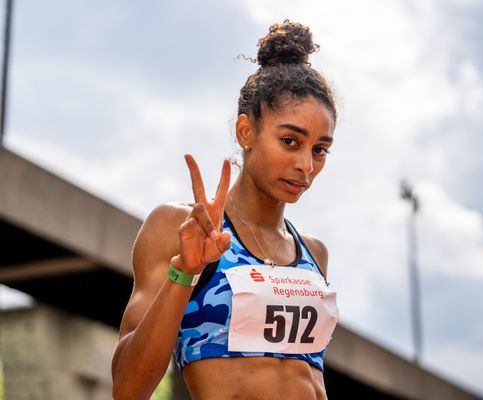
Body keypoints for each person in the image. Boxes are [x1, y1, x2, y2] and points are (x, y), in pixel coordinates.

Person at [111, 20, 339, 400]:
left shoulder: (314, 254)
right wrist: (184, 271)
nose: (306, 164)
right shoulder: (179, 226)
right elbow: (128, 389)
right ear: (246, 132)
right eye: (290, 141)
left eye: (320, 149)